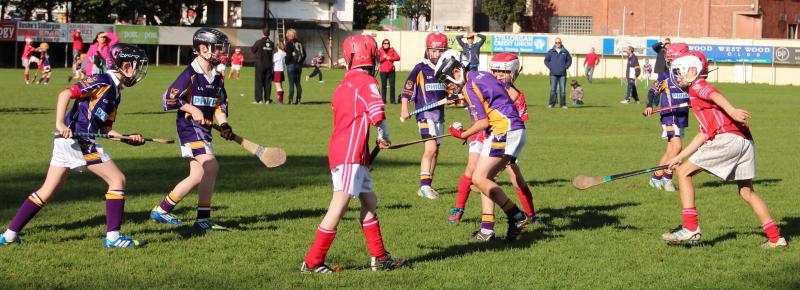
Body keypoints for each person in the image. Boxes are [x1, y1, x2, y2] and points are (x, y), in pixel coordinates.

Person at [0, 44, 149, 248]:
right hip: (77, 141)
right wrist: (60, 124)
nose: (139, 71)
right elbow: (65, 94)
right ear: (124, 65)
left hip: (72, 141)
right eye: (137, 66)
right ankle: (113, 238)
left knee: (47, 190)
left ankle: (8, 236)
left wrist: (126, 138)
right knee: (117, 179)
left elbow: (105, 129)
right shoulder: (102, 80)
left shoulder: (115, 92)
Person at [301, 35, 406, 274]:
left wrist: (365, 158)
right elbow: (377, 113)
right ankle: (312, 261)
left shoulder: (342, 85)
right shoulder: (367, 81)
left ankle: (379, 258)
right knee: (338, 206)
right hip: (350, 154)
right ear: (371, 57)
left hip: (347, 152)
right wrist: (385, 137)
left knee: (369, 200)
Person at [661, 51, 786, 248]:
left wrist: (731, 111)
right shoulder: (698, 96)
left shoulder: (697, 87)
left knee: (684, 173)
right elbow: (703, 133)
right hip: (744, 140)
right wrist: (680, 156)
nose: (678, 77)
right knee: (747, 192)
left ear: (693, 71)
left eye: (680, 72)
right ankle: (776, 238)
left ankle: (690, 228)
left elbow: (714, 95)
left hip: (727, 138)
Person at [436, 51, 529, 242]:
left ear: (456, 72)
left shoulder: (470, 86)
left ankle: (517, 216)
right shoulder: (484, 75)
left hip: (504, 130)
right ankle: (488, 230)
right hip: (513, 129)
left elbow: (483, 123)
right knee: (485, 179)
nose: (449, 87)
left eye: (447, 82)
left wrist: (461, 134)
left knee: (478, 178)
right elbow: (512, 93)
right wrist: (498, 106)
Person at [150, 28, 234, 231]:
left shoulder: (217, 76)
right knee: (211, 166)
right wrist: (191, 108)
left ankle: (161, 210)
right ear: (203, 49)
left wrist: (223, 124)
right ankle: (203, 219)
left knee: (197, 175)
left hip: (203, 129)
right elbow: (169, 98)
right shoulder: (190, 73)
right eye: (217, 49)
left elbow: (219, 104)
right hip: (189, 127)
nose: (221, 52)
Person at [399, 32, 451, 200]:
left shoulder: (446, 69)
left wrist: (451, 98)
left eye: (440, 51)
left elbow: (450, 89)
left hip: (439, 115)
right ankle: (424, 187)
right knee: (430, 149)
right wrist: (404, 109)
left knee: (436, 152)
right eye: (433, 51)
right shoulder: (420, 68)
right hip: (424, 114)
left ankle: (428, 184)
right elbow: (407, 90)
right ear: (428, 50)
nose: (436, 54)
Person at [643, 43, 690, 192]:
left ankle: (655, 178)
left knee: (671, 151)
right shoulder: (665, 76)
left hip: (682, 116)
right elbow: (652, 92)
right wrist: (649, 105)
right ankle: (667, 179)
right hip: (669, 117)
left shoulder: (688, 77)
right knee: (677, 147)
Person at [544, 37, 572, 109]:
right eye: (556, 43)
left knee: (562, 90)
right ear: (554, 43)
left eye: (559, 42)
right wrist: (550, 66)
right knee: (553, 90)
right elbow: (546, 60)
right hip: (553, 73)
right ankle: (551, 104)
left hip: (562, 74)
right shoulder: (550, 52)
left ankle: (563, 104)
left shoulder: (565, 52)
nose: (557, 44)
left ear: (561, 43)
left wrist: (566, 66)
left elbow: (569, 60)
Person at [251, 29, 274, 104]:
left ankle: (259, 99)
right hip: (269, 65)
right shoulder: (271, 43)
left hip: (260, 64)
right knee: (268, 82)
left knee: (259, 82)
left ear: (262, 33)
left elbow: (253, 50)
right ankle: (267, 99)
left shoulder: (259, 42)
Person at [284, 29, 306, 105]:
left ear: (288, 35)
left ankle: (290, 100)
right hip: (298, 65)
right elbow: (304, 54)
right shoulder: (299, 43)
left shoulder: (289, 43)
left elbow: (289, 55)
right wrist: (300, 62)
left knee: (291, 83)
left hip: (291, 64)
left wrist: (286, 62)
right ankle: (298, 100)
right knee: (298, 83)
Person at [378, 39, 400, 104]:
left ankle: (392, 100)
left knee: (392, 86)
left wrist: (390, 58)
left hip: (391, 70)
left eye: (387, 43)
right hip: (383, 71)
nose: (386, 44)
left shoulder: (392, 50)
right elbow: (378, 59)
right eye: (385, 43)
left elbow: (398, 57)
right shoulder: (380, 51)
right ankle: (383, 100)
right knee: (384, 86)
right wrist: (383, 57)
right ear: (382, 44)